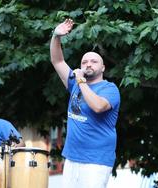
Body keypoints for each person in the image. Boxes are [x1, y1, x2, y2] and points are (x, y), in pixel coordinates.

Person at [50, 19, 120, 188]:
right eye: (84, 62)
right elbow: (58, 61)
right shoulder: (75, 83)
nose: (88, 64)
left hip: (96, 160)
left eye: (94, 61)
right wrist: (56, 36)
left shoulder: (110, 89)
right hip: (72, 157)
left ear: (103, 68)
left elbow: (98, 106)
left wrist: (81, 81)